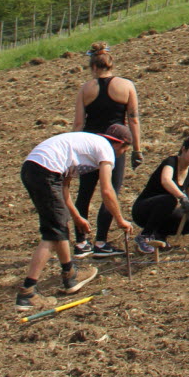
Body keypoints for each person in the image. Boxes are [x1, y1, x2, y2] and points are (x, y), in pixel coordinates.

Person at [16, 123, 133, 312]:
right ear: (120, 144)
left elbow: (64, 187)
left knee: (60, 226)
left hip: (33, 169)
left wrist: (77, 216)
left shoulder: (85, 145)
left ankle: (70, 276)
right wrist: (120, 220)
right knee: (52, 234)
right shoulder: (106, 148)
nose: (122, 154)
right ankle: (27, 293)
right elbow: (107, 190)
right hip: (45, 171)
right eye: (125, 149)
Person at [71, 45, 142, 258]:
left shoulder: (85, 89)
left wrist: (73, 150)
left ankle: (81, 242)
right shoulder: (126, 85)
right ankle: (101, 241)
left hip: (88, 145)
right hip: (114, 145)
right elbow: (133, 119)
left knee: (85, 192)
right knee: (111, 191)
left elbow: (78, 123)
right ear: (111, 63)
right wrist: (137, 149)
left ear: (93, 66)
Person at [131, 134, 189, 254]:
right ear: (184, 149)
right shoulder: (171, 161)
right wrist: (182, 197)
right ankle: (145, 236)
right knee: (169, 200)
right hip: (143, 210)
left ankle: (160, 235)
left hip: (163, 212)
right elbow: (166, 180)